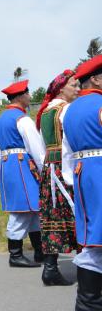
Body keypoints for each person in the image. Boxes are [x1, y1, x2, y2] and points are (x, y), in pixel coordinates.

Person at [62, 55, 102, 310]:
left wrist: (72, 180)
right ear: (96, 79)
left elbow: (67, 152)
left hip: (82, 174)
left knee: (93, 238)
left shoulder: (69, 109)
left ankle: (88, 302)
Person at [35, 70, 80, 286]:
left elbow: (45, 146)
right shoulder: (67, 109)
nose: (78, 89)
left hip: (50, 168)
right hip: (66, 168)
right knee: (77, 213)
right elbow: (71, 141)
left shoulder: (45, 112)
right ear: (62, 88)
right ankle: (88, 268)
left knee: (53, 216)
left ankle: (50, 268)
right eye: (74, 85)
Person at [0, 80, 46, 268]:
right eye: (27, 93)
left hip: (8, 165)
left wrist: (1, 173)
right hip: (22, 165)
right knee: (22, 211)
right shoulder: (22, 119)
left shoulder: (1, 119)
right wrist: (44, 170)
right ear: (20, 96)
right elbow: (36, 149)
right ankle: (15, 255)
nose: (30, 96)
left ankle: (40, 251)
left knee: (33, 209)